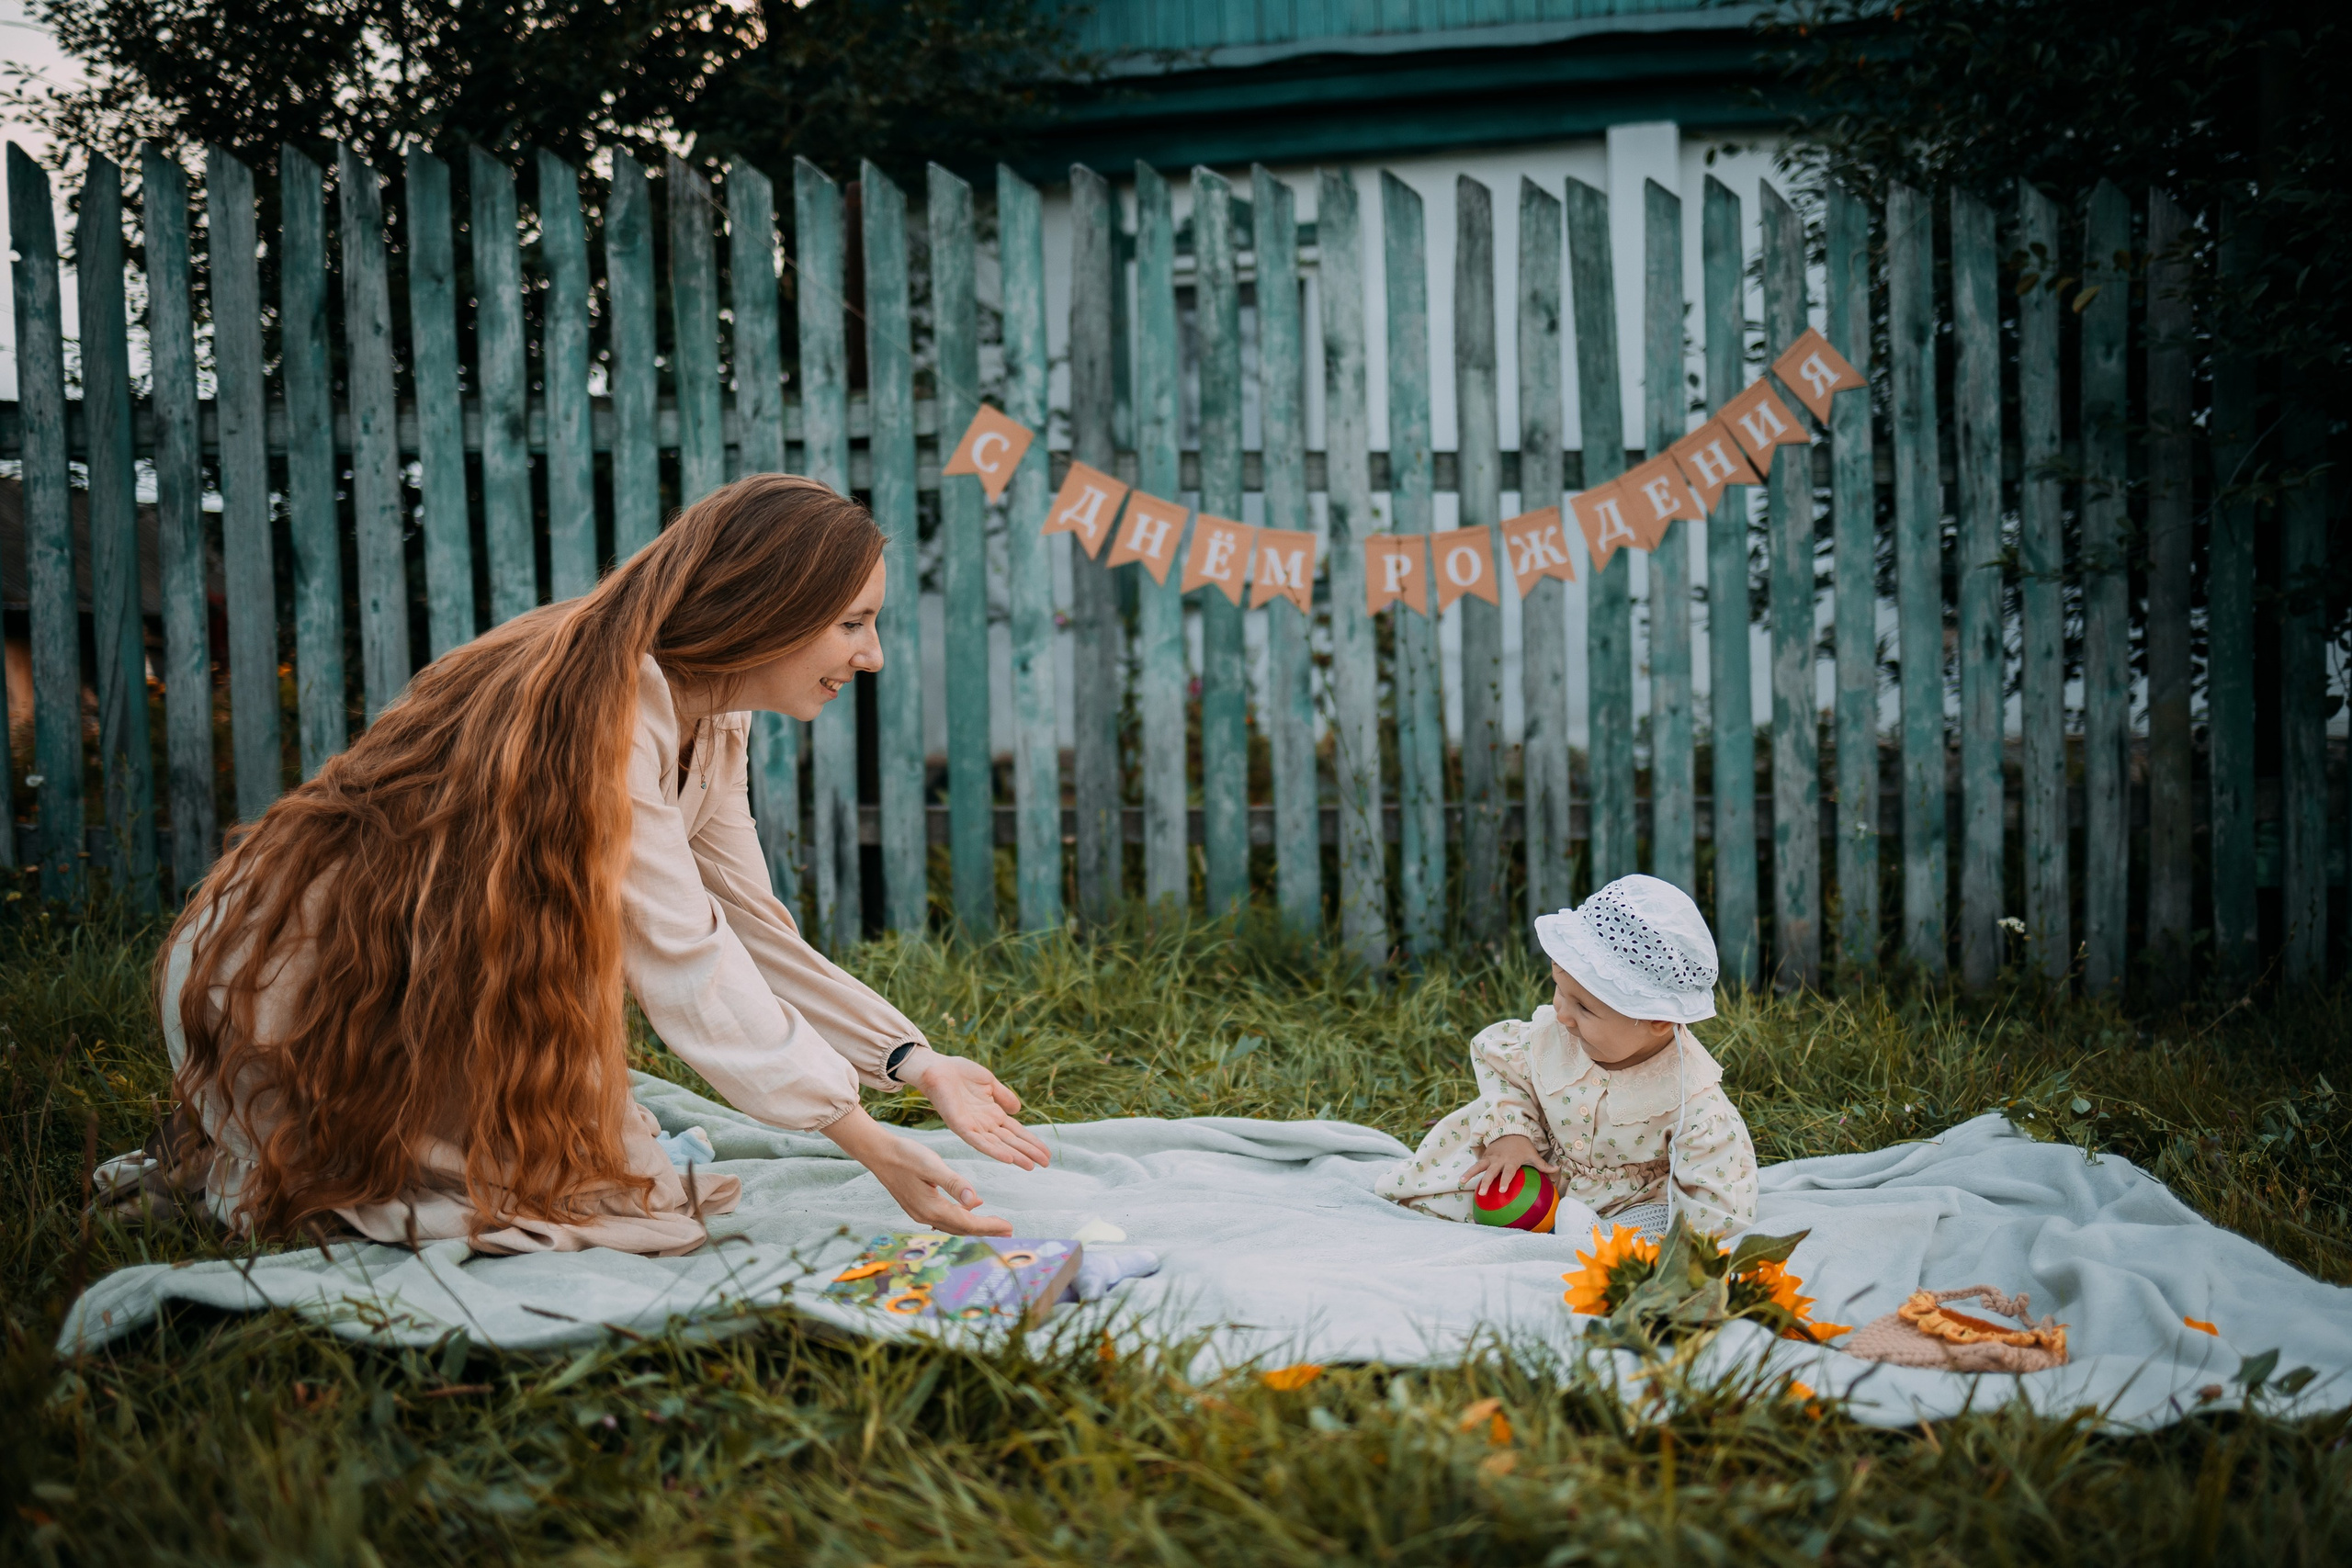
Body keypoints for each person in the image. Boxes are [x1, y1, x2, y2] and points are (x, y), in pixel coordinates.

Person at [160, 474, 1047, 1256]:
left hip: (413, 983)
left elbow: (747, 925)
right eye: (852, 622)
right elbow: (684, 955)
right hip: (304, 992)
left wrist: (914, 1061)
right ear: (768, 606)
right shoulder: (604, 706)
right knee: (606, 1206)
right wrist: (864, 1140)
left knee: (612, 1184)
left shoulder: (714, 714)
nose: (872, 654)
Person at [1374, 875, 1758, 1239]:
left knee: (1655, 1229)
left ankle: (1605, 1231)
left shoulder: (1691, 1101)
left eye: (1584, 1008)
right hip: (1537, 1163)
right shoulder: (1554, 1036)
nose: (1562, 1014)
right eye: (1559, 988)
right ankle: (1552, 1213)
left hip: (1627, 1198)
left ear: (1659, 1020)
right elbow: (1507, 1073)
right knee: (1447, 1189)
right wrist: (1511, 1134)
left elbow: (1715, 1199)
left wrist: (1696, 1234)